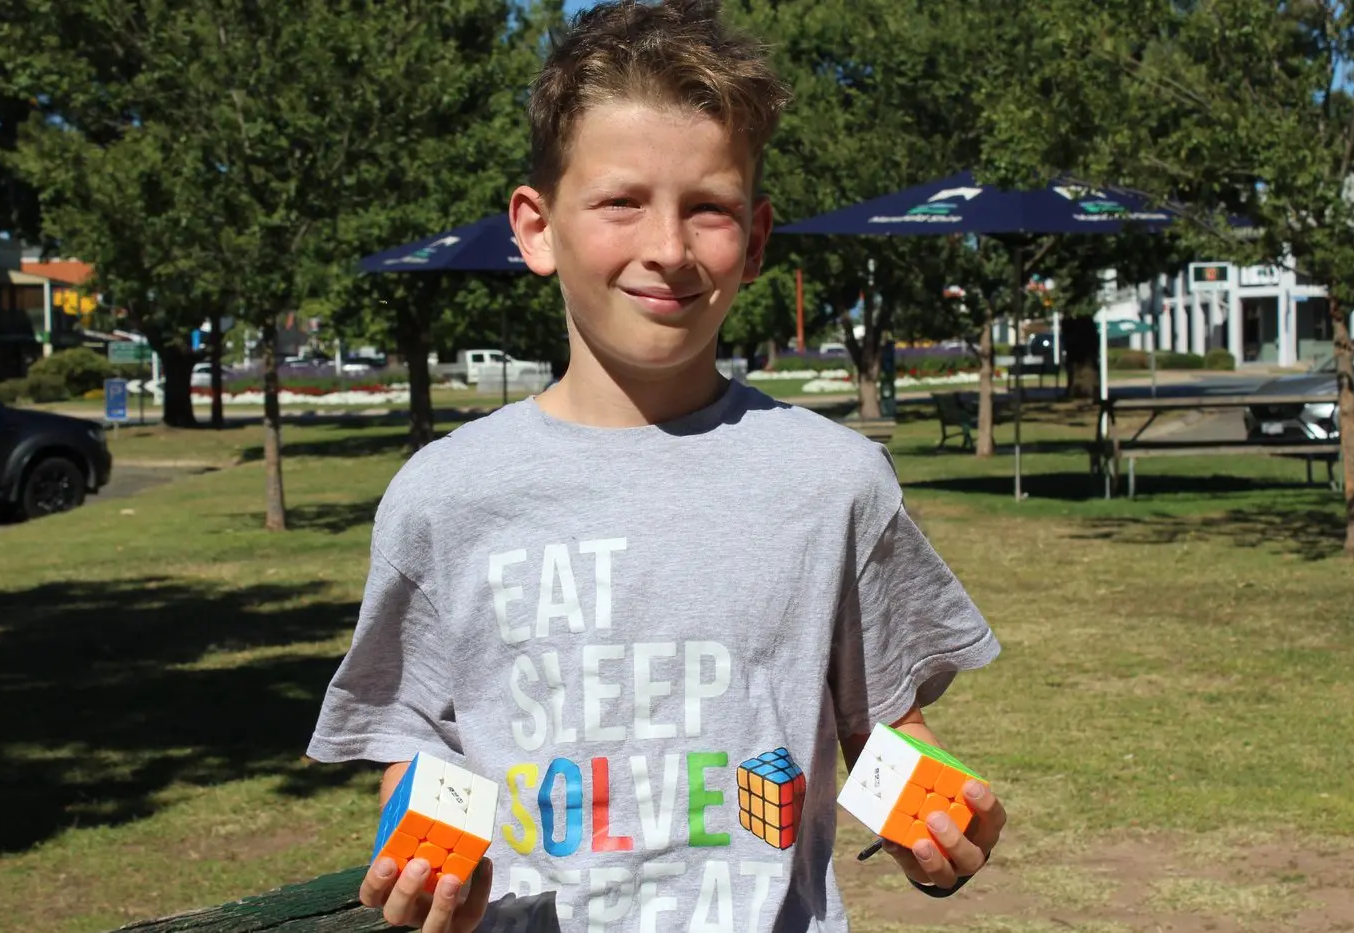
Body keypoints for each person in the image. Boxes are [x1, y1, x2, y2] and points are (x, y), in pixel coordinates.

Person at [306, 1, 1006, 930]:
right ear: (536, 226)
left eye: (707, 209)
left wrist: (943, 835)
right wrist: (433, 868)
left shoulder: (831, 481)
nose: (667, 249)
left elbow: (879, 729)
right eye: (620, 202)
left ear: (754, 241)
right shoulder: (444, 496)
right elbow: (421, 744)